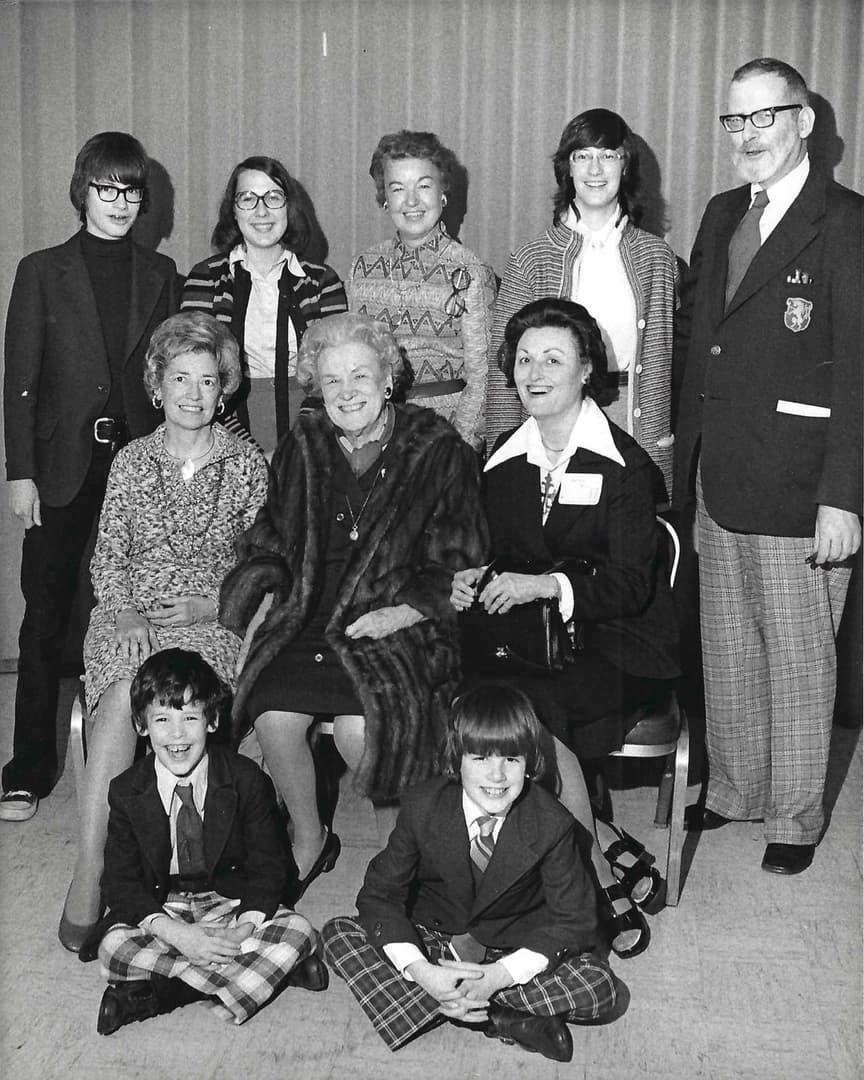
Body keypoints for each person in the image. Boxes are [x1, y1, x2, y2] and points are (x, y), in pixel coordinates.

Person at [220, 312, 487, 896]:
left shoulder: (437, 447)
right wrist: (264, 595)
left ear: (388, 378)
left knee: (358, 729)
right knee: (273, 712)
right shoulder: (304, 442)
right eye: (332, 381)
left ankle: (405, 854)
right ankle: (311, 836)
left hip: (397, 623)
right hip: (310, 614)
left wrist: (404, 611)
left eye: (360, 377)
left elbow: (460, 554)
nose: (346, 393)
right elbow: (269, 532)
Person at [673, 58, 862, 875]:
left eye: (765, 117)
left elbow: (859, 368)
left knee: (798, 653)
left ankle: (793, 814)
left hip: (800, 482)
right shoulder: (720, 213)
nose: (748, 136)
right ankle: (736, 790)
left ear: (806, 121)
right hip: (721, 471)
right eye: (734, 121)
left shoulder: (847, 221)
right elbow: (700, 344)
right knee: (729, 645)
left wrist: (844, 498)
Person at [453, 298, 680, 957]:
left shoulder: (627, 467)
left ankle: (595, 879)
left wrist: (550, 586)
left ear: (587, 371)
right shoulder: (502, 458)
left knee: (530, 712)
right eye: (523, 359)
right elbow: (494, 554)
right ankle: (602, 838)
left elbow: (634, 587)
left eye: (553, 358)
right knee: (471, 699)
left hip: (619, 642)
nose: (535, 371)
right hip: (529, 640)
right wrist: (474, 578)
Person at [59, 312, 269, 950]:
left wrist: (211, 606)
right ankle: (93, 869)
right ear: (157, 385)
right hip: (132, 616)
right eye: (180, 378)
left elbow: (262, 569)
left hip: (210, 622)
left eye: (207, 381)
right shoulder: (129, 462)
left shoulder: (246, 465)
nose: (192, 394)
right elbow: (108, 556)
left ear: (224, 389)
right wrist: (121, 609)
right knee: (126, 692)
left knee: (176, 693)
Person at [1, 131, 179, 824]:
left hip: (137, 466)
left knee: (145, 602)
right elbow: (21, 381)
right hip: (61, 471)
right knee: (45, 618)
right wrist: (22, 474)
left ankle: (147, 757)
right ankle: (28, 768)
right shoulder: (42, 269)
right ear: (84, 192)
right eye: (107, 188)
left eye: (132, 190)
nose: (121, 203)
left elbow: (168, 375)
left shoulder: (160, 273)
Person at [321, 684, 617, 1062]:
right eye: (480, 758)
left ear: (531, 763)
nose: (496, 776)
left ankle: (472, 1007)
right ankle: (507, 1017)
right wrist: (423, 970)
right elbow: (380, 896)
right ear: (456, 759)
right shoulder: (422, 805)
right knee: (338, 934)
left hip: (515, 944)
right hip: (438, 938)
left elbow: (574, 920)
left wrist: (498, 976)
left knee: (600, 984)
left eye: (511, 759)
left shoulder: (553, 823)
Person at [94, 649, 325, 1036]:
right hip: (164, 904)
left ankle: (161, 995)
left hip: (229, 903)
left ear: (213, 720)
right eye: (162, 719)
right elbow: (119, 882)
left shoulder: (246, 779)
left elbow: (272, 868)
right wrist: (180, 936)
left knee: (298, 930)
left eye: (190, 717)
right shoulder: (125, 790)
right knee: (113, 947)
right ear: (141, 726)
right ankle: (260, 978)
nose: (178, 734)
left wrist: (241, 931)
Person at [485, 109, 676, 498]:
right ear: (567, 168)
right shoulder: (530, 259)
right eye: (582, 155)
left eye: (608, 155)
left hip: (634, 419)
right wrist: (500, 455)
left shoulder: (659, 258)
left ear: (626, 167)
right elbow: (503, 366)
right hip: (553, 422)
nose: (595, 168)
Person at [181, 155, 348, 455]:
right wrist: (245, 451)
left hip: (314, 431)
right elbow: (194, 376)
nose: (261, 210)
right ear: (233, 210)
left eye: (273, 197)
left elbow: (337, 373)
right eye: (248, 198)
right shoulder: (204, 279)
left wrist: (295, 448)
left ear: (289, 207)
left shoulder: (323, 282)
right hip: (223, 431)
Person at [348, 130, 496, 452]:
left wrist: (459, 449)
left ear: (443, 192)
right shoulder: (362, 268)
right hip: (375, 434)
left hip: (447, 435)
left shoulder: (471, 272)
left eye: (424, 186)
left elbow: (484, 378)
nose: (411, 201)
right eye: (398, 188)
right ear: (385, 198)